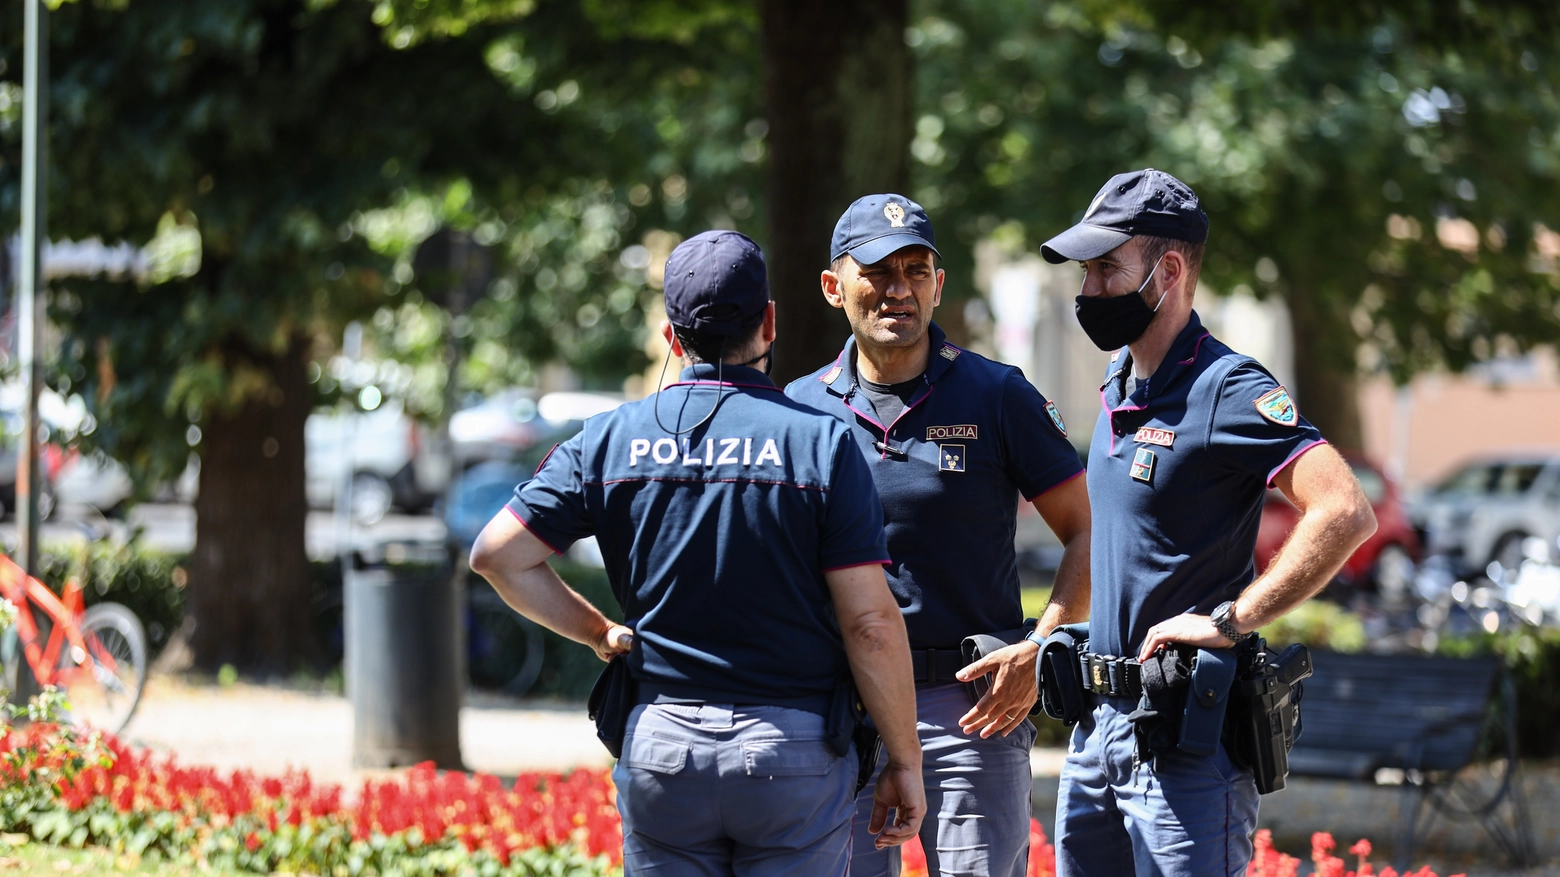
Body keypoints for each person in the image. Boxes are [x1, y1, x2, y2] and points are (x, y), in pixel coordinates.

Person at [469, 230, 926, 876]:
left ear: (670, 337)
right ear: (768, 323)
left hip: (663, 747)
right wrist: (904, 759)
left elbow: (497, 554)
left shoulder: (607, 441)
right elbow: (870, 622)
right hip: (790, 755)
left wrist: (599, 632)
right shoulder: (820, 446)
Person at [1038, 168, 1378, 877]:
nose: (1089, 289)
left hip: (1182, 744)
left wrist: (1232, 618)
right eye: (1087, 271)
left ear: (1168, 271)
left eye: (1106, 268)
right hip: (1096, 730)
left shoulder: (1226, 387)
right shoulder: (1118, 384)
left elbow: (1345, 509)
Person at [786, 195, 1093, 877]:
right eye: (878, 271)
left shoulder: (997, 395)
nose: (899, 290)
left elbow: (1089, 533)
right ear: (834, 287)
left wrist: (1039, 647)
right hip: (844, 710)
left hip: (971, 711)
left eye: (916, 270)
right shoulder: (799, 409)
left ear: (939, 283)